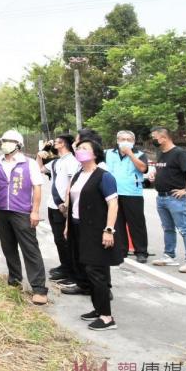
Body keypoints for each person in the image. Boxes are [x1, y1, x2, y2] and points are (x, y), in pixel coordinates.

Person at [63, 139, 122, 331]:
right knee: (87, 270)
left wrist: (109, 230)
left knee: (97, 272)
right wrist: (67, 225)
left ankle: (107, 318)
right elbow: (73, 202)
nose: (80, 151)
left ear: (95, 154)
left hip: (97, 230)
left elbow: (113, 204)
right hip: (78, 227)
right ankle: (98, 310)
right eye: (78, 148)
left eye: (84, 148)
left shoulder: (104, 176)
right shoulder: (79, 174)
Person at [0, 129, 48, 305]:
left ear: (18, 145)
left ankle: (39, 288)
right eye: (4, 140)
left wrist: (35, 211)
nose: (5, 143)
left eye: (9, 141)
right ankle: (14, 279)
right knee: (8, 247)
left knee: (30, 249)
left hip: (22, 211)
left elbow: (37, 187)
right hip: (2, 210)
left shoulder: (28, 164)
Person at [149, 127, 186, 272]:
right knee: (168, 228)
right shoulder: (162, 153)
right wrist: (155, 176)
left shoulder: (178, 153)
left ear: (164, 137)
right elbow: (167, 170)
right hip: (161, 197)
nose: (153, 140)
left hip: (175, 199)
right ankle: (169, 256)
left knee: (184, 229)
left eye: (155, 137)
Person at [36, 134, 80, 285]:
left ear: (64, 144)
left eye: (57, 142)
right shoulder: (57, 162)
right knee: (58, 239)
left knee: (66, 240)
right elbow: (39, 169)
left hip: (63, 205)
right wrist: (40, 154)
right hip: (52, 204)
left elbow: (72, 184)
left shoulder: (72, 162)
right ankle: (64, 266)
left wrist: (67, 204)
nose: (54, 143)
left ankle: (72, 271)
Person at [104, 131, 149, 263]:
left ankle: (141, 251)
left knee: (136, 223)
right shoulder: (108, 153)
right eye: (123, 139)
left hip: (132, 193)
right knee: (118, 223)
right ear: (117, 140)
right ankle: (121, 250)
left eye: (129, 139)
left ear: (133, 141)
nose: (125, 141)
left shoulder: (140, 154)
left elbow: (143, 169)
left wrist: (130, 154)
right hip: (113, 193)